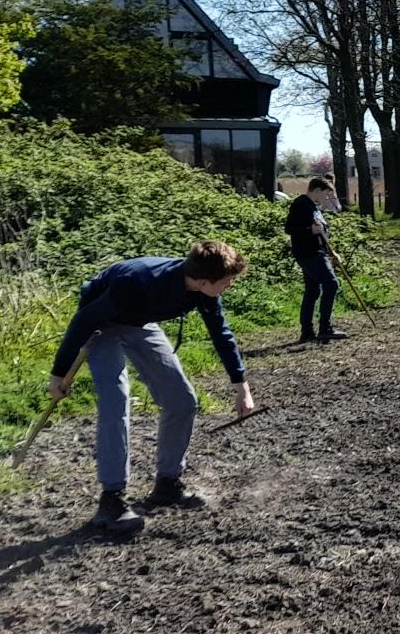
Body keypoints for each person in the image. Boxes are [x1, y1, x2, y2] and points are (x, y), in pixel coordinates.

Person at [49, 242, 257, 535]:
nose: (229, 286)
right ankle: (111, 500)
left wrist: (242, 387)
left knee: (182, 400)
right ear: (203, 281)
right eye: (226, 283)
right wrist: (58, 375)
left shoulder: (203, 290)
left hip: (140, 322)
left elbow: (221, 334)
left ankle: (167, 485)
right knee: (115, 400)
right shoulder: (135, 283)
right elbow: (84, 319)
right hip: (102, 321)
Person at [284, 176, 345, 343]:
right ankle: (325, 328)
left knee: (313, 290)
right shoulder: (300, 205)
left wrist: (332, 253)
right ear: (317, 190)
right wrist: (309, 230)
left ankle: (307, 331)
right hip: (309, 253)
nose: (326, 198)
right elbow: (289, 228)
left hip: (318, 251)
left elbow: (321, 232)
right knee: (331, 284)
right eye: (325, 194)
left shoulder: (313, 207)